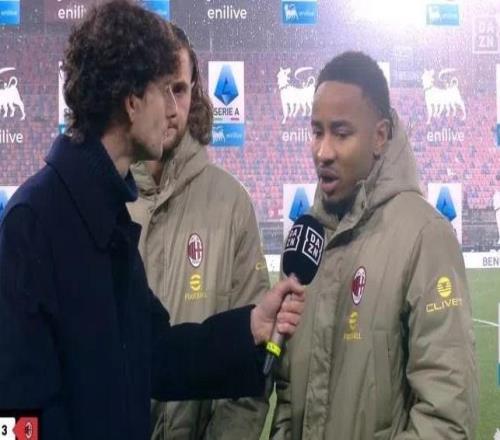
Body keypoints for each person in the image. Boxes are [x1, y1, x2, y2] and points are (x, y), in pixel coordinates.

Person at [0, 2, 306, 440]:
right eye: (164, 90)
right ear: (131, 101)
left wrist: (250, 326)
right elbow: (15, 419)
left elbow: (157, 355)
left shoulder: (108, 216)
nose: (174, 109)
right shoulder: (35, 221)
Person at [271, 51, 478, 440]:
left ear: (380, 136)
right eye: (317, 131)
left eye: (341, 133)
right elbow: (287, 397)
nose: (323, 152)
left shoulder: (425, 236)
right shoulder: (306, 240)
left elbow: (446, 418)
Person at [127, 24, 270, 440]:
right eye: (157, 88)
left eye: (179, 89)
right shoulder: (103, 202)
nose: (170, 107)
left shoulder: (232, 204)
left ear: (196, 92)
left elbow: (252, 362)